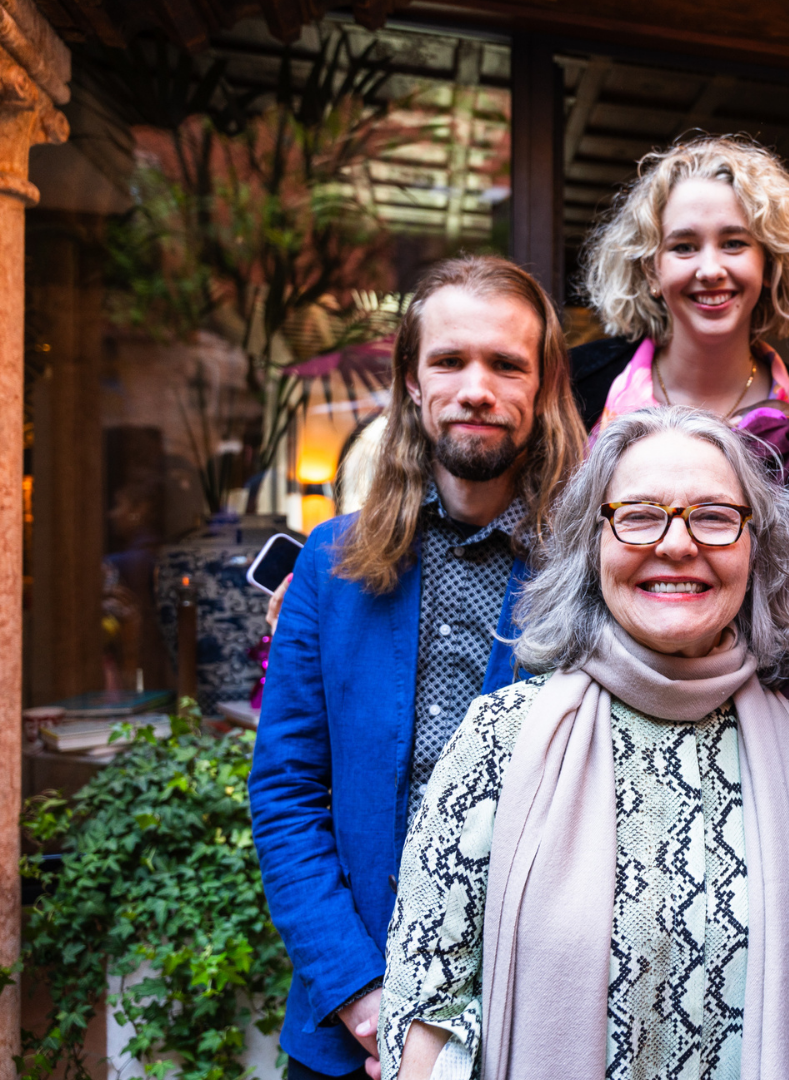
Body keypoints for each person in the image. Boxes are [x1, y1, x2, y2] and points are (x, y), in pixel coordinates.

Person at [376, 406, 789, 1080]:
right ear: (592, 545)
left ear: (756, 548)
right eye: (639, 515)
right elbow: (427, 1007)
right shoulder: (498, 740)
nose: (678, 545)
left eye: (714, 516)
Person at [251, 255, 588, 1080]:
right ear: (410, 379)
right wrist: (364, 998)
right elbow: (286, 791)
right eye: (450, 361)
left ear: (542, 385)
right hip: (346, 1028)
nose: (477, 388)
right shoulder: (332, 566)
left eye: (506, 364)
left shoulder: (591, 569)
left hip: (526, 1023)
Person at [571, 135, 789, 434]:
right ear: (651, 271)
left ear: (769, 265)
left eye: (734, 243)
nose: (710, 270)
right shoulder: (574, 386)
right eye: (683, 246)